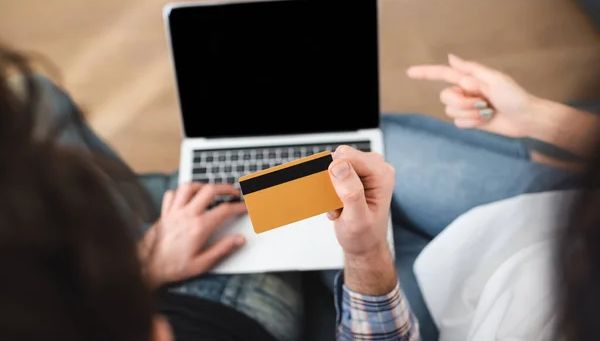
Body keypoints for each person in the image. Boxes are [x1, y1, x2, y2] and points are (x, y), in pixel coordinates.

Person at [0, 43, 419, 341]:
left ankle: (166, 201)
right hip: (222, 306)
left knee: (33, 96)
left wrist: (148, 267)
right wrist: (365, 252)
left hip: (144, 276)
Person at [386, 53, 600, 340]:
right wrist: (537, 118)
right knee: (360, 144)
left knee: (334, 221)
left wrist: (364, 258)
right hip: (544, 217)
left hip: (462, 316)